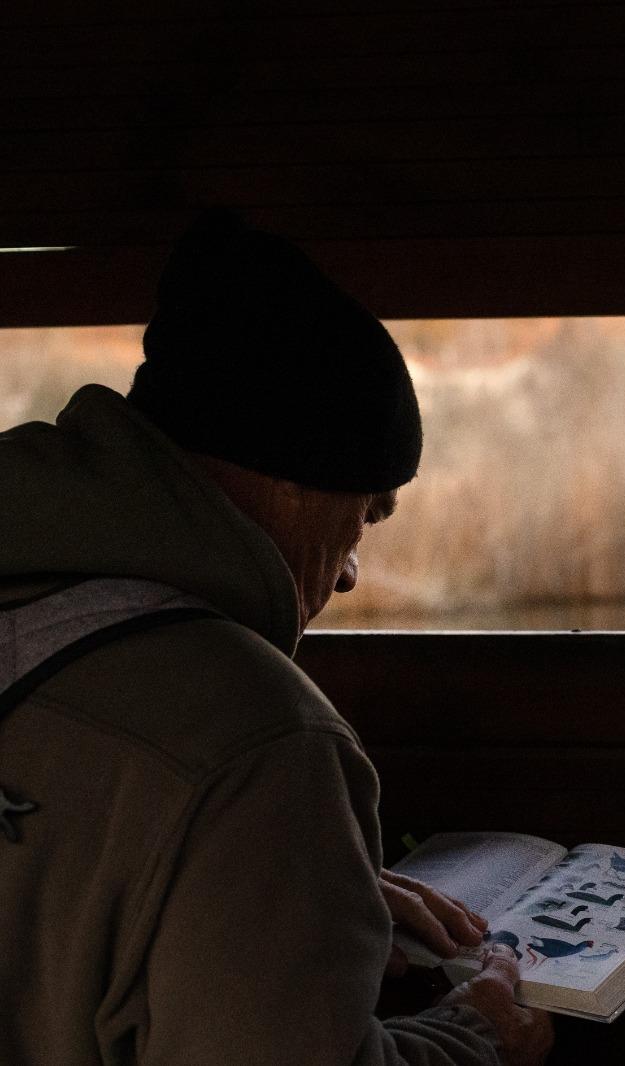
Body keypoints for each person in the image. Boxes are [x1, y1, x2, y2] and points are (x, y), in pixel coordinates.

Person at [0, 211, 553, 1065]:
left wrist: (265, 895)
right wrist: (477, 1035)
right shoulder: (259, 742)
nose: (347, 575)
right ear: (295, 484)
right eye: (363, 516)